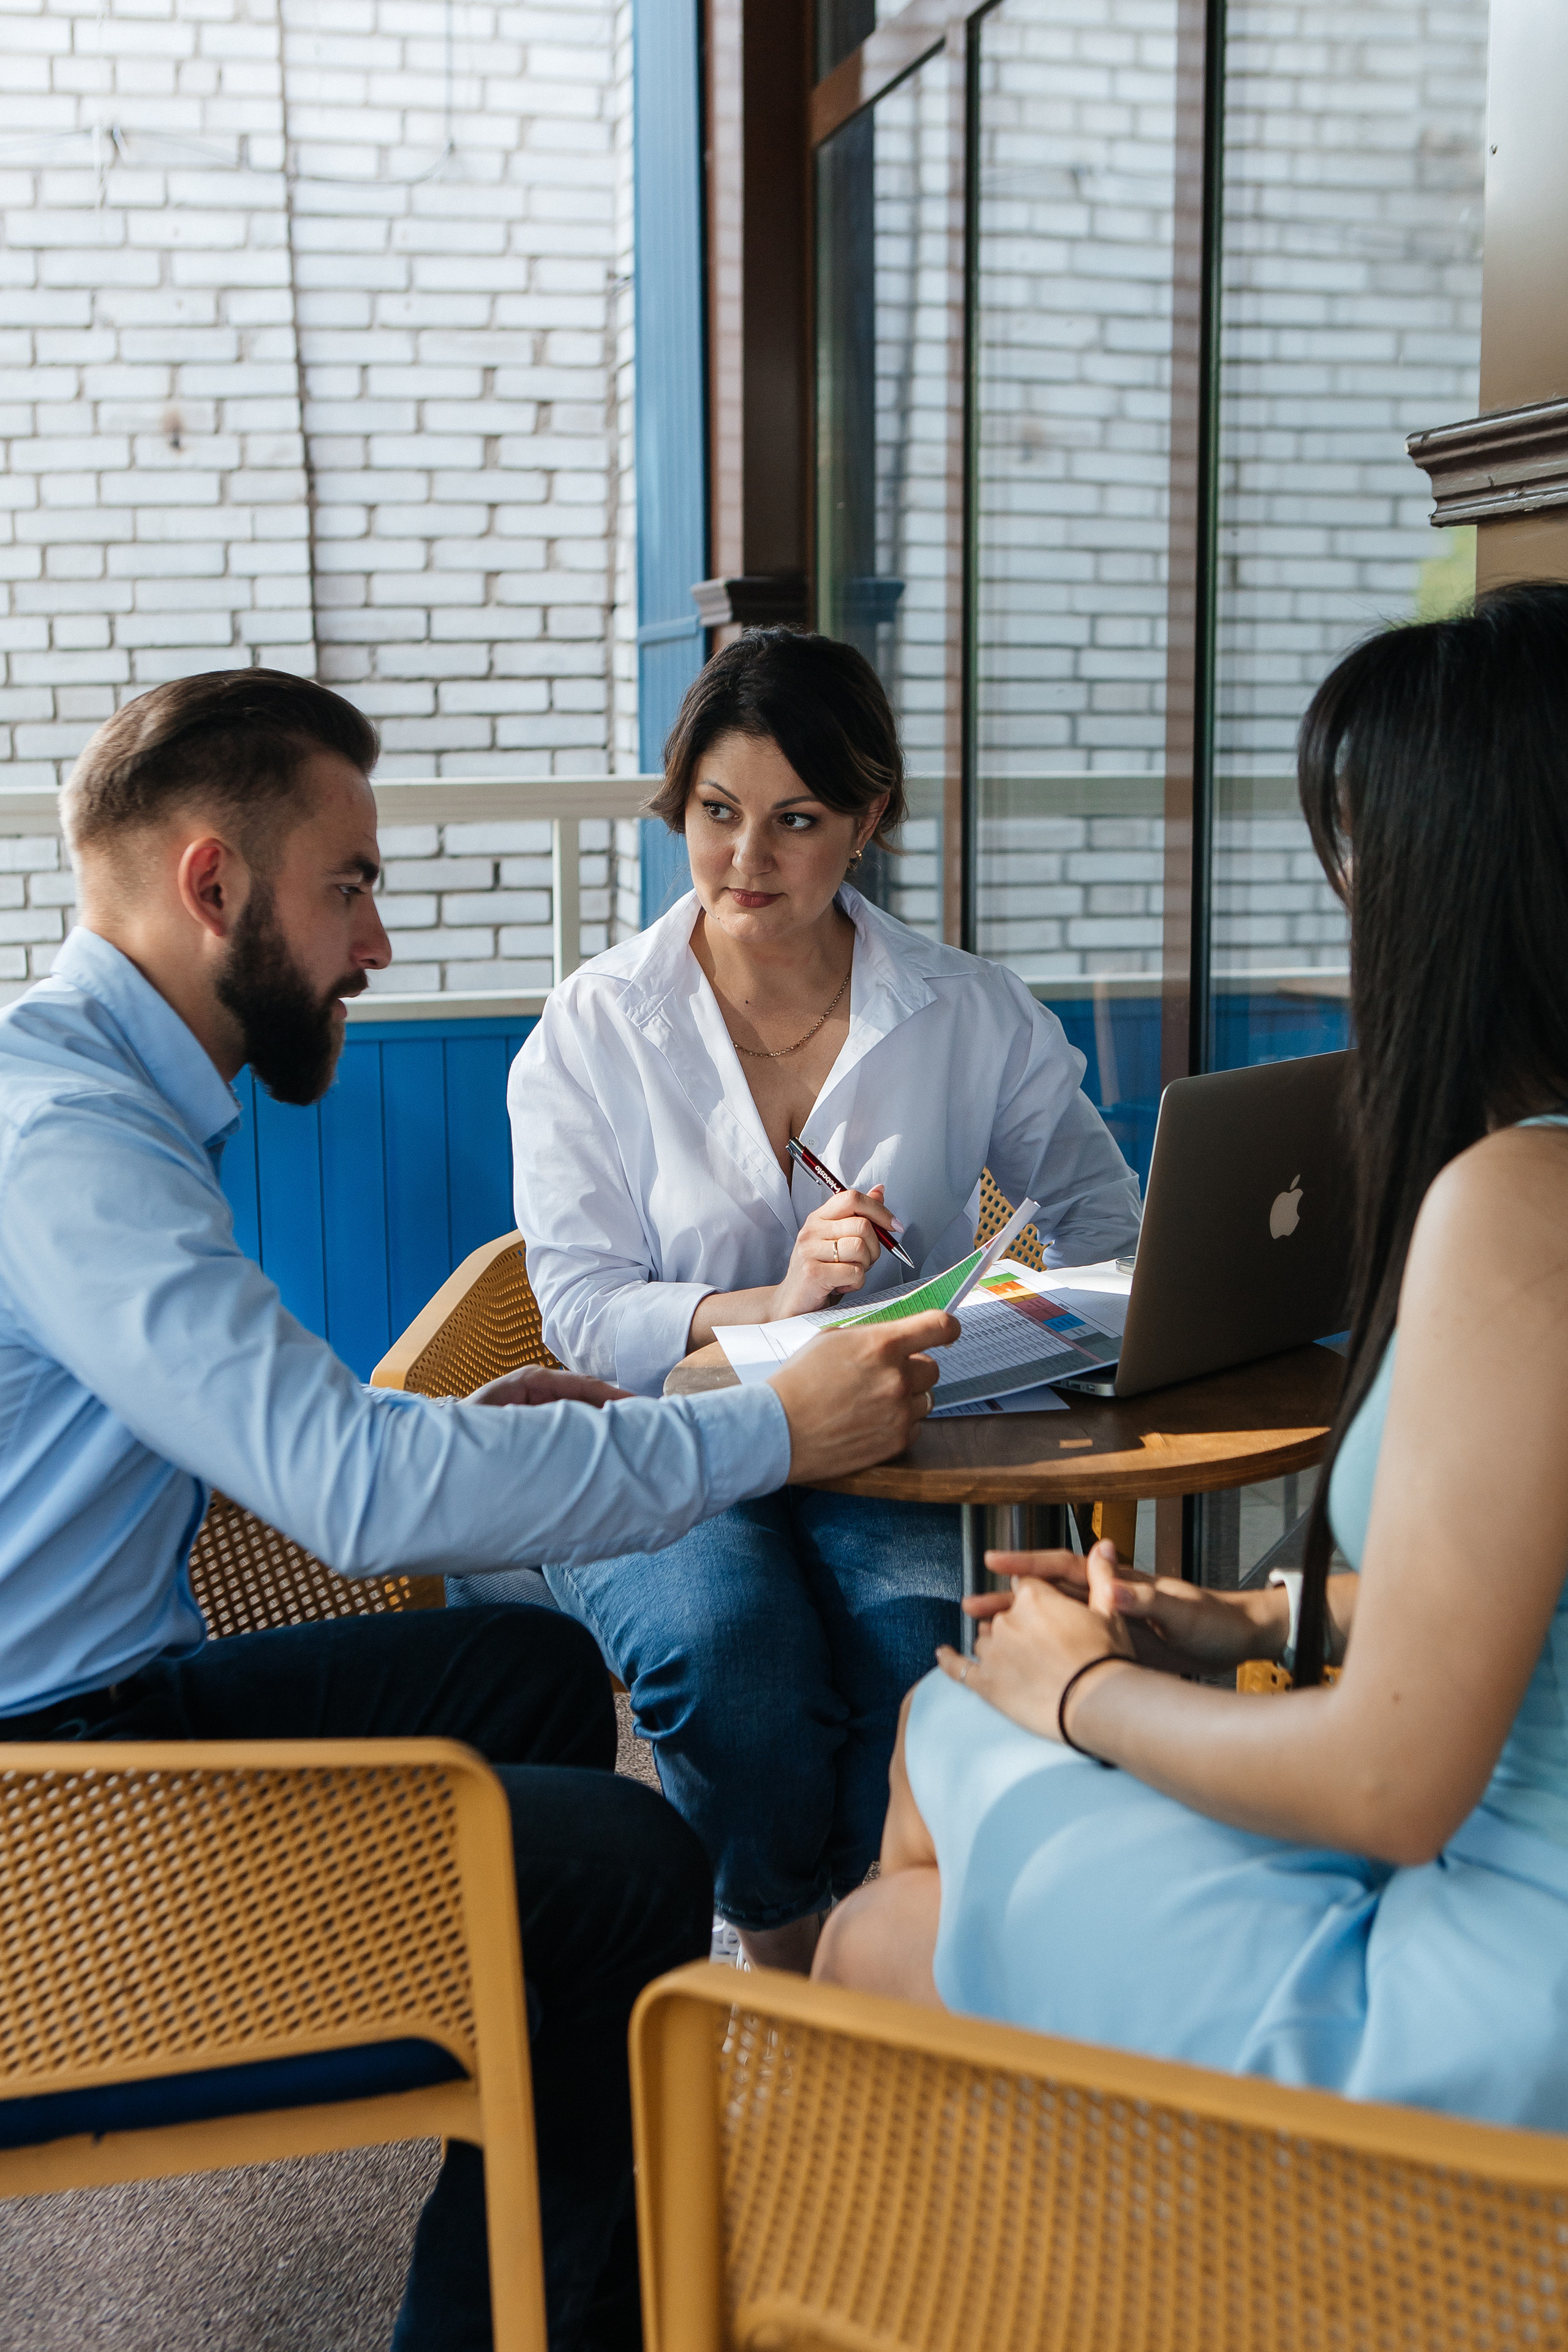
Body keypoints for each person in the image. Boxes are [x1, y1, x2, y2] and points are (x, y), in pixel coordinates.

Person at [0, 668, 954, 2352]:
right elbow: (350, 1494)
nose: (376, 946)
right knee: (630, 1863)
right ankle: (548, 2308)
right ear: (213, 885)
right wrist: (760, 1431)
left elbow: (283, 1432)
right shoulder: (65, 1142)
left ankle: (524, 2166)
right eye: (350, 887)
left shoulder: (93, 1091)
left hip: (99, 1706)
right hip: (60, 1822)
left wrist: (477, 1424)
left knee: (516, 1678)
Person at [814, 582, 1568, 2133]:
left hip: (1477, 2014)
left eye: (1364, 860)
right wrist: (1236, 1611)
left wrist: (1087, 1689)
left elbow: (1393, 1782)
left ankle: (1098, 2225)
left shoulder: (1521, 1208)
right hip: (1497, 1914)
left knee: (882, 1918)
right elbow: (1514, 1588)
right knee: (942, 1723)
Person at [492, 629, 1140, 1973]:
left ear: (867, 821)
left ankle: (870, 1951)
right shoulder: (593, 1026)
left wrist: (1032, 1313)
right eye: (717, 814)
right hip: (654, 1438)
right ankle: (781, 1955)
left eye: (795, 822)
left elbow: (1101, 1228)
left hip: (885, 1435)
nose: (746, 860)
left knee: (912, 1646)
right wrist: (768, 1302)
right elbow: (579, 1313)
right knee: (734, 1653)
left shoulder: (968, 1012)